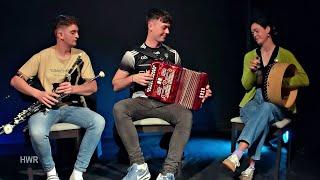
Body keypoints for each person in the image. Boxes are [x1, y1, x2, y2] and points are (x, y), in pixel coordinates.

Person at [112, 8, 212, 180]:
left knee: (185, 115)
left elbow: (183, 85)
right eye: (164, 27)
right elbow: (116, 85)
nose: (167, 31)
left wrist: (200, 92)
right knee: (119, 108)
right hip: (141, 102)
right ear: (151, 25)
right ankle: (139, 166)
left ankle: (168, 172)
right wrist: (133, 78)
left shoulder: (172, 55)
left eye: (168, 28)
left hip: (167, 105)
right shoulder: (132, 55)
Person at [10, 15, 105, 180]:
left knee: (98, 121)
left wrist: (74, 88)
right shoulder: (42, 56)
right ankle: (51, 173)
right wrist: (38, 93)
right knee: (37, 132)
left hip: (71, 107)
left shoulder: (81, 56)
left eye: (77, 32)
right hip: (47, 108)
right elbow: (15, 80)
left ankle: (78, 172)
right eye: (73, 32)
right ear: (60, 35)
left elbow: (93, 87)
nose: (77, 36)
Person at [222, 16, 309, 180]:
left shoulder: (284, 54)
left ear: (268, 30)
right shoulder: (250, 56)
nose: (254, 34)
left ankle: (237, 153)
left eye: (257, 30)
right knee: (260, 117)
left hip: (275, 103)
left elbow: (304, 79)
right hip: (253, 100)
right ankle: (250, 167)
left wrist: (280, 81)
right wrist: (251, 72)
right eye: (252, 32)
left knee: (266, 109)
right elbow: (246, 86)